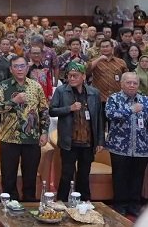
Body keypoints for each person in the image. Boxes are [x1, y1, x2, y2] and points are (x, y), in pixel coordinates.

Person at [0, 55, 50, 201]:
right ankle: (11, 204)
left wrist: (44, 132)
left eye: (22, 66)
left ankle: (29, 203)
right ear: (11, 69)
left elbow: (43, 110)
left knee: (30, 175)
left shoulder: (35, 86)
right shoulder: (3, 86)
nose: (19, 69)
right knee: (8, 175)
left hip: (31, 137)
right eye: (16, 66)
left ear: (27, 67)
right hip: (9, 138)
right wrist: (13, 101)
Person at [48, 62, 104, 202]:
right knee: (66, 174)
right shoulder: (61, 91)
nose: (71, 78)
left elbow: (99, 118)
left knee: (84, 175)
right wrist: (69, 108)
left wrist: (100, 141)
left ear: (83, 76)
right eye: (69, 76)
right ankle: (62, 201)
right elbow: (52, 110)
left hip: (87, 141)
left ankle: (84, 202)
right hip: (69, 141)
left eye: (75, 76)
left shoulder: (93, 93)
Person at [105, 71, 148, 217]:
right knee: (120, 176)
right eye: (128, 83)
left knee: (137, 177)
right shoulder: (114, 98)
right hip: (119, 147)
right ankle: (120, 204)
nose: (132, 85)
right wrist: (130, 110)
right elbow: (110, 114)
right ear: (122, 84)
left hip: (141, 147)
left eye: (135, 83)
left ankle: (134, 204)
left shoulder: (144, 100)